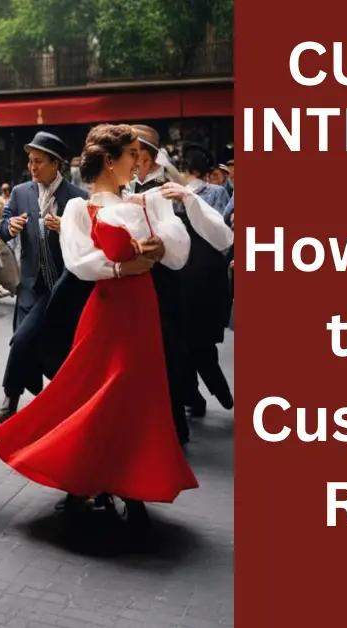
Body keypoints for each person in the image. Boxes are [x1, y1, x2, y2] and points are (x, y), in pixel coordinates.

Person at [0, 124, 196, 528]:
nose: (136, 162)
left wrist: (159, 246)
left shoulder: (144, 203)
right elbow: (79, 262)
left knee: (138, 398)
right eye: (130, 156)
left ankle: (127, 485)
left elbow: (177, 253)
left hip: (142, 309)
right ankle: (88, 479)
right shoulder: (78, 208)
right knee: (102, 394)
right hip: (105, 309)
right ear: (110, 161)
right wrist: (122, 265)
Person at [131, 126, 234, 418]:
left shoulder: (178, 191)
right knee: (181, 347)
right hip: (172, 279)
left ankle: (213, 393)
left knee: (196, 344)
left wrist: (188, 201)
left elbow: (221, 234)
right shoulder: (130, 190)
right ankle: (191, 399)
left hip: (198, 276)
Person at [0, 131, 88, 424]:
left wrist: (65, 230)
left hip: (62, 286)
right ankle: (12, 396)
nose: (33, 167)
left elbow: (87, 240)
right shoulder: (21, 193)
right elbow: (1, 227)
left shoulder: (78, 198)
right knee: (21, 341)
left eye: (39, 162)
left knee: (54, 346)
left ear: (56, 164)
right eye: (30, 161)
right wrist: (11, 226)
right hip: (29, 284)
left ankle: (60, 401)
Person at [180, 145, 231, 214]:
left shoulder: (217, 192)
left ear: (196, 172)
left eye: (185, 172)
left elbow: (222, 220)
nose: (182, 175)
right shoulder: (179, 192)